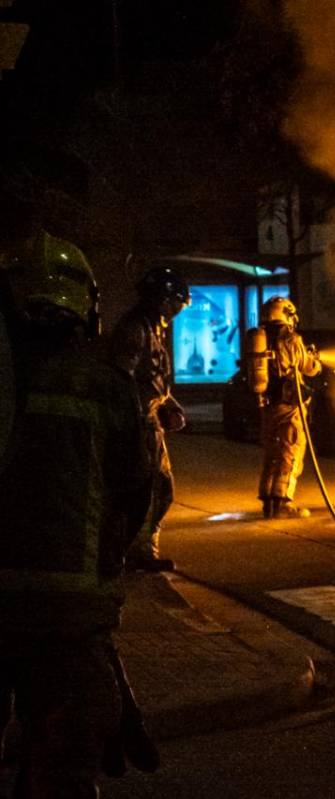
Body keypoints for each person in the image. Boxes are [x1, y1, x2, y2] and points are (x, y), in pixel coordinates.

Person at [0, 231, 153, 797]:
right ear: (84, 306)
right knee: (66, 766)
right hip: (69, 624)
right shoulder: (106, 387)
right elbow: (137, 493)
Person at [109, 265, 190, 571]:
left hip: (148, 421)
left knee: (160, 488)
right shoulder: (136, 328)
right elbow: (123, 378)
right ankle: (135, 552)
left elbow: (153, 380)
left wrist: (169, 406)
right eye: (177, 304)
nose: (178, 311)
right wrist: (136, 418)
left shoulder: (152, 328)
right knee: (145, 488)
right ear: (165, 300)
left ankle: (141, 550)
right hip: (138, 425)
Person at [258, 296, 321, 519]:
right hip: (289, 406)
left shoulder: (262, 337)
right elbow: (309, 367)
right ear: (285, 314)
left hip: (268, 406)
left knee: (272, 453)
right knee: (291, 451)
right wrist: (315, 359)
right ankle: (283, 503)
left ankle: (269, 503)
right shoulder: (290, 338)